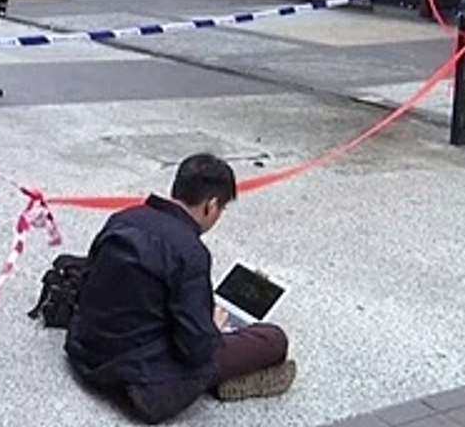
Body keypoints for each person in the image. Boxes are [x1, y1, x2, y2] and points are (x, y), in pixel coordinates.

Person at [65, 154, 295, 424]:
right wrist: (211, 329)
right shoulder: (190, 252)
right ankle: (225, 381)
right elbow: (197, 349)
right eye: (222, 209)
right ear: (211, 205)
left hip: (84, 350)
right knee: (273, 339)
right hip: (139, 383)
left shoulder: (124, 218)